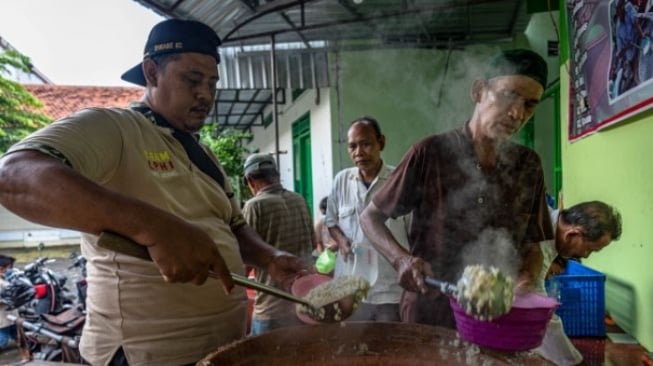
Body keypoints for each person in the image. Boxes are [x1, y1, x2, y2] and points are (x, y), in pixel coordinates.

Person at [0, 19, 308, 366]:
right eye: (192, 80)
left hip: (220, 349)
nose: (205, 94)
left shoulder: (204, 155)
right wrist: (153, 227)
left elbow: (235, 228)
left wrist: (270, 260)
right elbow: (12, 176)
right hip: (141, 356)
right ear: (151, 73)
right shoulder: (116, 128)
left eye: (211, 83)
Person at [359, 49, 553, 328]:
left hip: (496, 314)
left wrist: (525, 282)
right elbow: (370, 217)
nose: (517, 113)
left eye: (530, 105)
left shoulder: (528, 165)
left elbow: (533, 245)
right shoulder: (430, 152)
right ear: (478, 91)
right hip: (431, 311)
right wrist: (400, 259)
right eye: (509, 95)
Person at [325, 117, 411, 322]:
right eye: (352, 146)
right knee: (352, 347)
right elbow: (331, 221)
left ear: (381, 143)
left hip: (389, 291)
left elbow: (414, 233)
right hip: (349, 291)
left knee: (388, 347)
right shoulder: (341, 181)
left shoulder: (398, 181)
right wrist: (341, 240)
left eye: (365, 144)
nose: (358, 153)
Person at [536, 201, 622, 366]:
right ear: (572, 234)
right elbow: (540, 315)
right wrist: (574, 362)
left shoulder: (548, 222)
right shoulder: (540, 242)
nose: (586, 255)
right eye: (589, 249)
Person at [241, 153, 315, 335]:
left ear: (250, 181)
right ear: (276, 175)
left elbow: (245, 260)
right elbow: (313, 243)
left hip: (271, 310)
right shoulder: (299, 199)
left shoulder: (254, 206)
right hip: (304, 306)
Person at [0, 255, 18, 353]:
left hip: (10, 314)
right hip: (3, 315)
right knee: (3, 338)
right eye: (7, 267)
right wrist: (5, 300)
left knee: (15, 331)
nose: (9, 269)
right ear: (1, 268)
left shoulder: (3, 277)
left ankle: (23, 346)